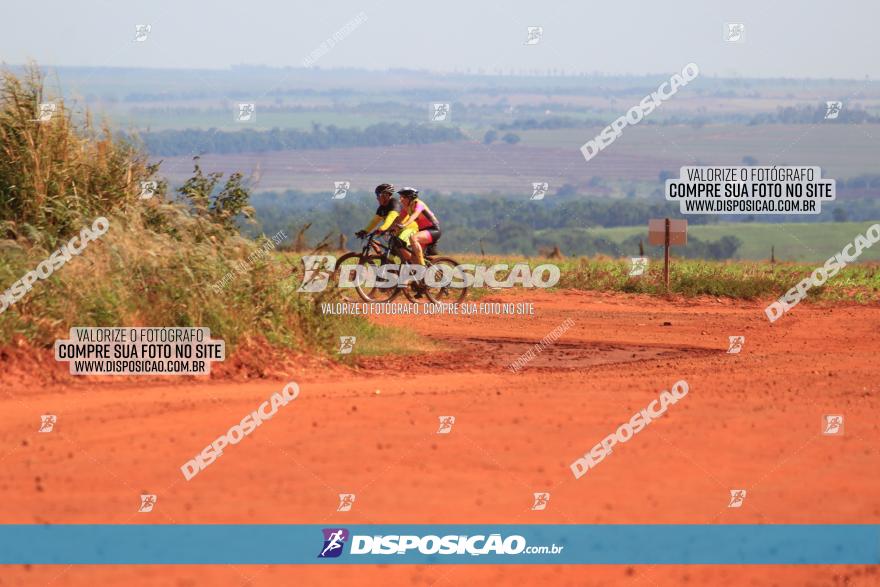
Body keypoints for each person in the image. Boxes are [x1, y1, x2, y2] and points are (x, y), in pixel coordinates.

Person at [394, 187, 441, 266]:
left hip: (433, 230)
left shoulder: (419, 204)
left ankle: (422, 266)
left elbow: (414, 216)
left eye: (402, 197)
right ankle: (421, 275)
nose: (400, 200)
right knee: (413, 260)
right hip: (423, 231)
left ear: (410, 198)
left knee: (413, 238)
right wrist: (389, 229)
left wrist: (404, 225)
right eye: (400, 197)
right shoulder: (407, 208)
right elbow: (398, 219)